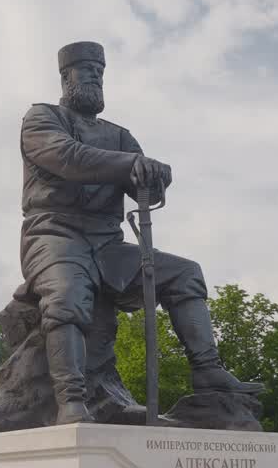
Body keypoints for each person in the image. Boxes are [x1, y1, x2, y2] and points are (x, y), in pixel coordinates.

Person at [17, 41, 262, 425]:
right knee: (65, 294)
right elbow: (67, 158)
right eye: (87, 70)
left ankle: (207, 370)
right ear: (66, 77)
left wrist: (155, 179)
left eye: (101, 72)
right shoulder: (42, 118)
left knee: (186, 273)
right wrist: (131, 163)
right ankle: (72, 400)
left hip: (107, 244)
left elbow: (140, 185)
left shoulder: (119, 135)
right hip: (54, 233)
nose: (96, 77)